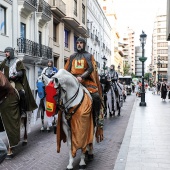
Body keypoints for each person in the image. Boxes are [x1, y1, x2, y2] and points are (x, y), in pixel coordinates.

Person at [64, 37, 103, 142]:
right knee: (61, 96)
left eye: (81, 43)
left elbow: (90, 68)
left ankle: (97, 118)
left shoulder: (89, 56)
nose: (79, 44)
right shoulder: (72, 57)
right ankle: (60, 119)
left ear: (84, 44)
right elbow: (66, 70)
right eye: (78, 43)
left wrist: (82, 77)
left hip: (86, 82)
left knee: (96, 97)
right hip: (73, 82)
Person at [0, 47, 37, 117]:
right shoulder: (4, 62)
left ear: (11, 52)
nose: (6, 53)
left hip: (15, 82)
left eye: (7, 52)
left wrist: (16, 74)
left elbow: (21, 72)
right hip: (5, 82)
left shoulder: (18, 61)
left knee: (22, 93)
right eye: (5, 52)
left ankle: (23, 110)